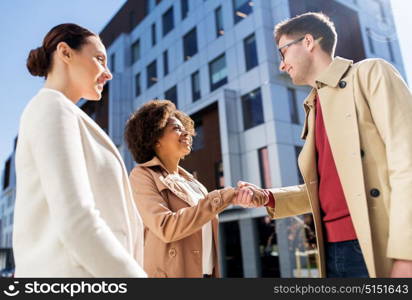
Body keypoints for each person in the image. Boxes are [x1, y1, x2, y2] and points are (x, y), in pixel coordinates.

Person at [236, 12, 412, 278]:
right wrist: (268, 197)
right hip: (331, 250)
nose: (282, 65)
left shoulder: (369, 73)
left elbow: (407, 157)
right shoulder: (313, 106)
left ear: (308, 42)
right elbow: (327, 188)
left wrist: (407, 253)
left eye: (282, 53)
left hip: (376, 244)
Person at [13, 23, 146, 277]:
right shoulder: (51, 106)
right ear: (65, 53)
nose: (108, 73)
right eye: (99, 59)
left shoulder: (64, 112)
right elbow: (77, 220)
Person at [124, 100, 267, 278]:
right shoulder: (142, 175)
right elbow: (166, 227)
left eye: (184, 128)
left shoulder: (194, 183)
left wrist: (247, 195)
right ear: (155, 139)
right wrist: (223, 197)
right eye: (176, 128)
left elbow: (204, 216)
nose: (186, 133)